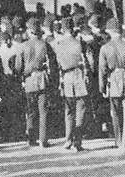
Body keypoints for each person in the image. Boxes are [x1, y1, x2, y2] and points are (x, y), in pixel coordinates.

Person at [98, 18, 125, 153]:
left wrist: (102, 86)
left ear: (110, 32)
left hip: (113, 80)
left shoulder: (105, 48)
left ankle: (118, 141)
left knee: (115, 113)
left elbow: (102, 70)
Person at [16, 18, 57, 148]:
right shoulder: (45, 45)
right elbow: (52, 64)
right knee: (43, 111)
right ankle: (43, 140)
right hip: (42, 79)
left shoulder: (23, 46)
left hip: (29, 80)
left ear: (29, 30)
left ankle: (30, 138)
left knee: (30, 111)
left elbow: (18, 66)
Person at [53, 18, 89, 151]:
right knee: (80, 109)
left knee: (68, 110)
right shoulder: (79, 42)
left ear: (62, 29)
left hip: (66, 77)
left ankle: (68, 139)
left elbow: (57, 64)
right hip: (79, 75)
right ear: (72, 28)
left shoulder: (58, 44)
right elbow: (88, 60)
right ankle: (77, 142)